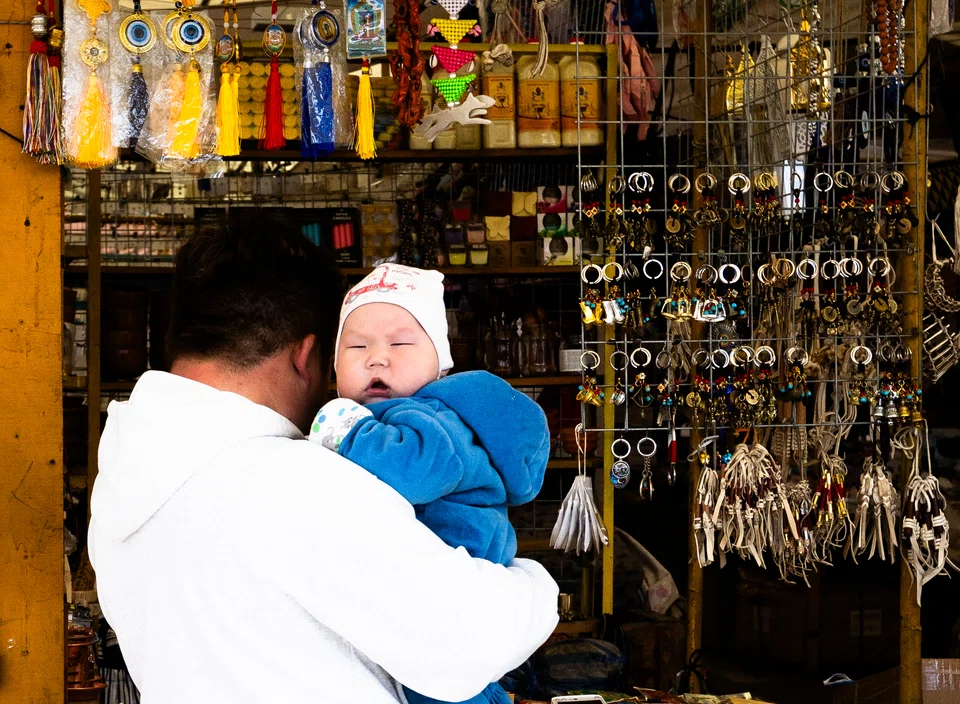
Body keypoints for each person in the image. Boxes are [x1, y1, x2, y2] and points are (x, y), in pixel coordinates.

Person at [88, 214, 560, 703]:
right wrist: (534, 586)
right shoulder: (292, 484)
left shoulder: (125, 475)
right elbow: (468, 642)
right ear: (306, 357)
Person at [311, 263, 551, 704]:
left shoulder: (434, 417)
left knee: (440, 688)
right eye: (357, 344)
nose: (376, 357)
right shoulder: (395, 419)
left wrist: (346, 435)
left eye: (400, 343)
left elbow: (416, 469)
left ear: (439, 364)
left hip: (453, 581)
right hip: (427, 590)